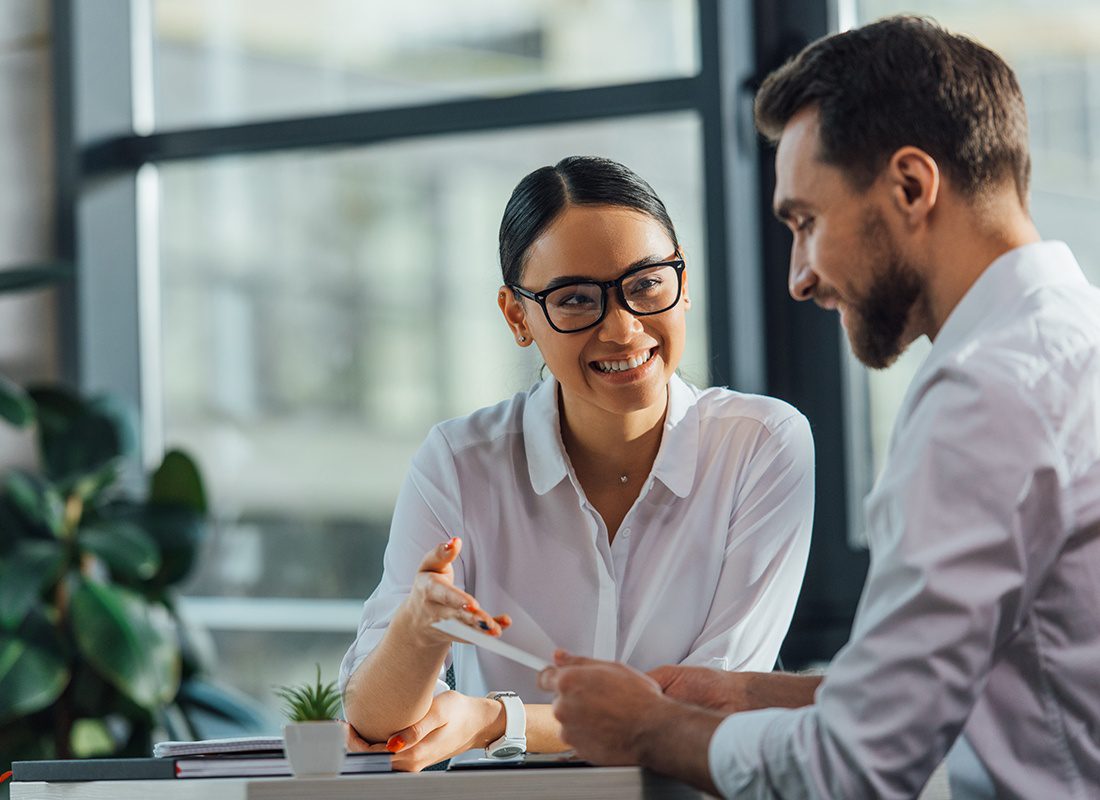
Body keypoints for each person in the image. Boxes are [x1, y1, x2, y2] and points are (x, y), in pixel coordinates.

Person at [539, 16, 1100, 800]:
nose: (800, 276)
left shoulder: (985, 395)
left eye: (807, 222)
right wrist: (750, 695)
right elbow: (1013, 684)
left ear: (911, 186)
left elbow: (854, 769)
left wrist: (648, 730)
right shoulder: (1074, 345)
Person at [338, 156, 815, 771]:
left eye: (646, 284)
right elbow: (374, 722)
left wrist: (497, 719)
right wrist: (418, 630)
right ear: (518, 316)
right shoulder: (458, 462)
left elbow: (712, 702)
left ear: (684, 280)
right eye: (575, 300)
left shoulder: (763, 444)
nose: (622, 329)